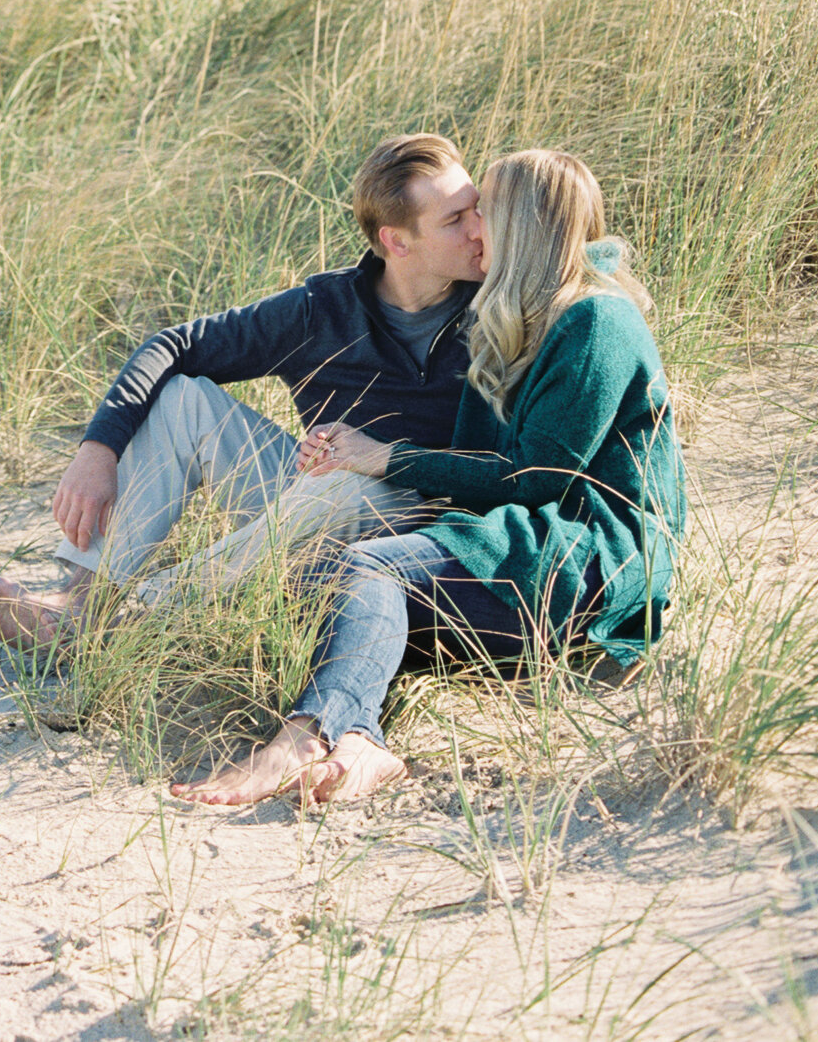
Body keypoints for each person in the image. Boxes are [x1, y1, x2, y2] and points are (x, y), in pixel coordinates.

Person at [172, 148, 686, 809]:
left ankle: (301, 739)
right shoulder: (519, 313)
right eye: (466, 215)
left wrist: (386, 459)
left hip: (585, 558)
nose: (474, 230)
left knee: (371, 570)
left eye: (485, 213)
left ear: (523, 226)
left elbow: (534, 477)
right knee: (330, 585)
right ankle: (360, 743)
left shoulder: (595, 321)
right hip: (516, 545)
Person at [0, 133, 489, 649]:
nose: (479, 229)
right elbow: (172, 346)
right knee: (182, 399)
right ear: (397, 241)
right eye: (454, 219)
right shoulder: (322, 310)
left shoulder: (500, 304)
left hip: (420, 522)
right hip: (306, 512)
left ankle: (147, 620)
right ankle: (82, 601)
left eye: (476, 209)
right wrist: (97, 450)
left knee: (351, 487)